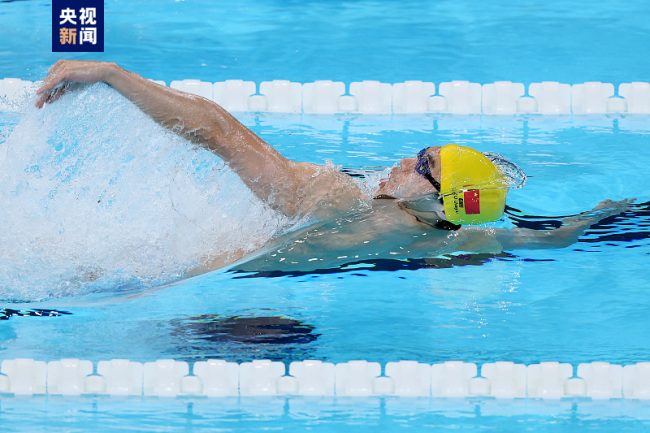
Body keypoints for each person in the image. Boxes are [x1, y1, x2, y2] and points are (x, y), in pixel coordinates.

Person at [36, 60, 633, 273]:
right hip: (222, 268)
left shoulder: (337, 198)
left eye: (422, 164)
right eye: (424, 150)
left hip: (165, 275)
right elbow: (547, 236)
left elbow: (218, 133)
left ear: (435, 199)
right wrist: (608, 214)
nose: (405, 158)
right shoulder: (451, 238)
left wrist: (117, 77)